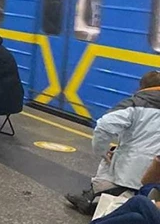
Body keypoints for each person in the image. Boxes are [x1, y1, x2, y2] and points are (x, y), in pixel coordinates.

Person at [65, 70, 160, 215]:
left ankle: (93, 200)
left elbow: (104, 126)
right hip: (156, 174)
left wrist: (102, 152)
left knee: (108, 160)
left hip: (133, 173)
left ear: (142, 86)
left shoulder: (134, 103)